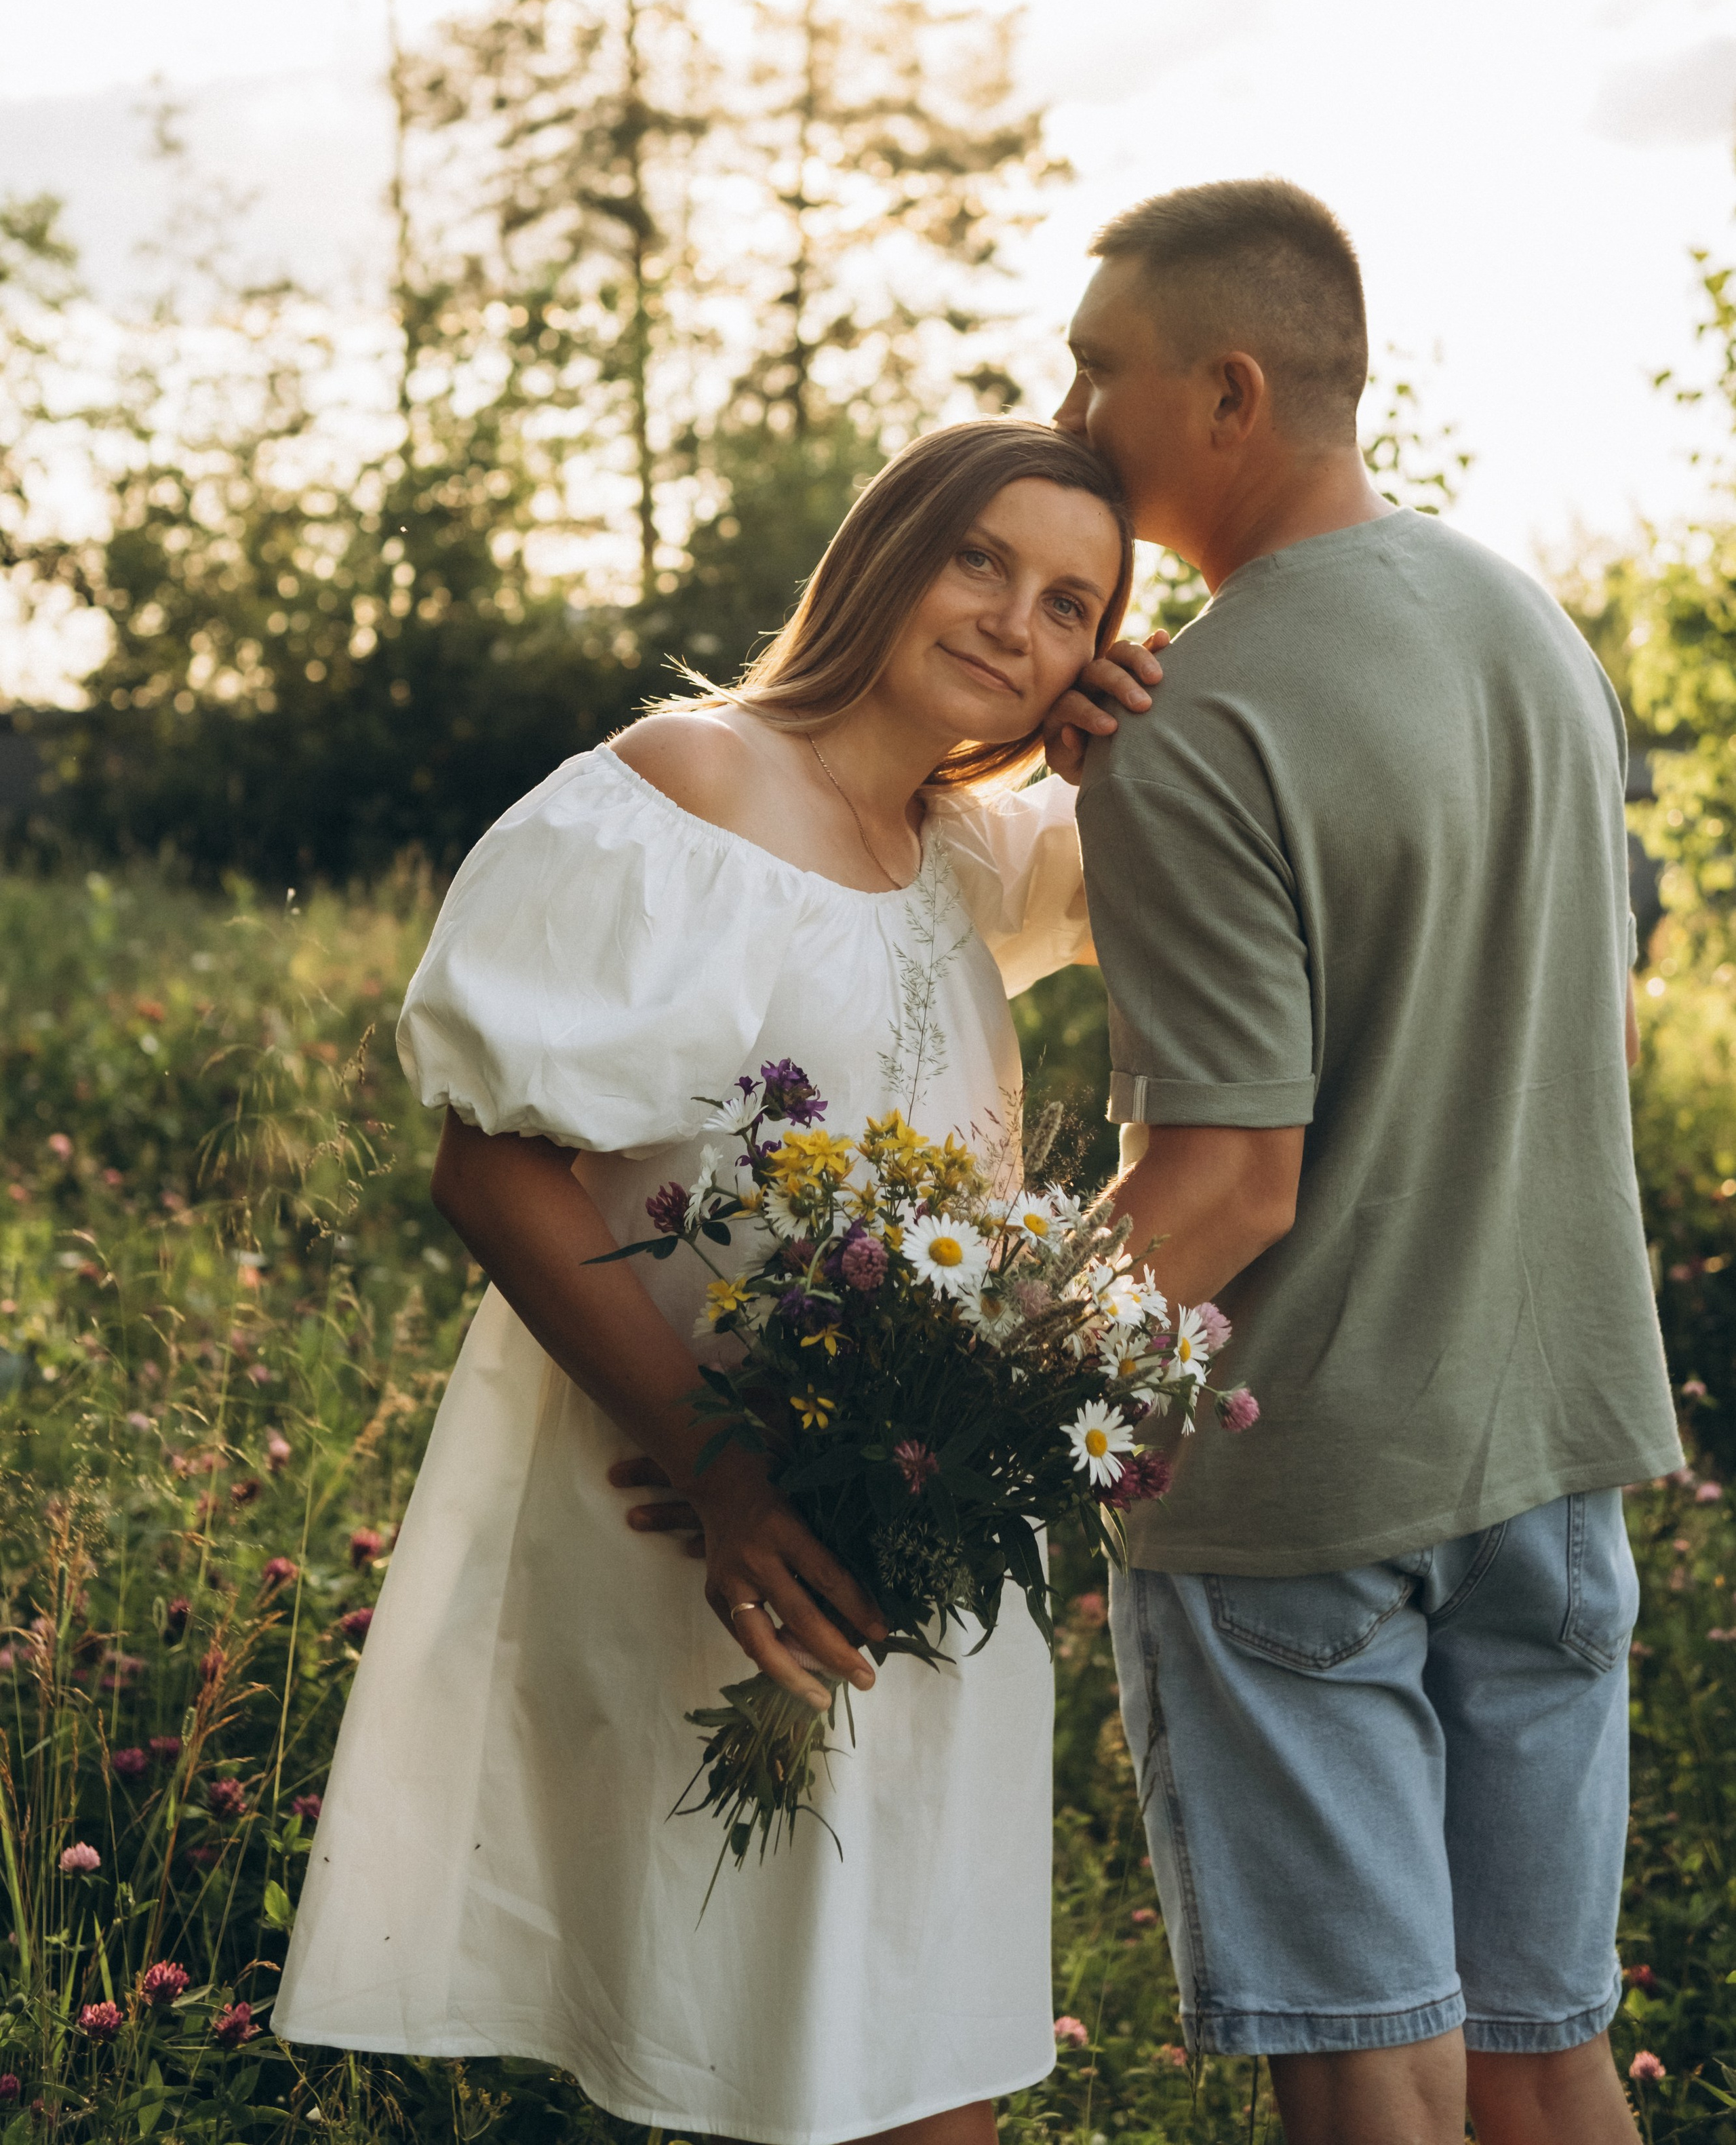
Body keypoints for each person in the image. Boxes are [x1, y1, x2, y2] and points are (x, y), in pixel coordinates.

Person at [273, 418, 1151, 2145]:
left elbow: (1143, 851)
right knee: (767, 2059)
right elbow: (489, 1163)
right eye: (978, 558)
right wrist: (724, 1467)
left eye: (1069, 605)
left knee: (904, 2049)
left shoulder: (955, 846)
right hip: (704, 1517)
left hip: (897, 1518)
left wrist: (1128, 721)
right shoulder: (691, 782)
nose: (1011, 620)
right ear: (884, 550)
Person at [1050, 176, 1682, 2145]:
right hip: (1556, 1453)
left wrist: (958, 1391)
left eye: (1098, 367)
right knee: (1540, 2053)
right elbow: (1571, 1024)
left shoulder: (1190, 720)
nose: (1067, 412)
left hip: (1303, 1485)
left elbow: (1229, 1184)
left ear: (1228, 391)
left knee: (1367, 2069)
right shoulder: (1527, 625)